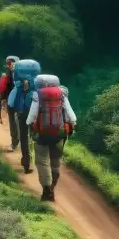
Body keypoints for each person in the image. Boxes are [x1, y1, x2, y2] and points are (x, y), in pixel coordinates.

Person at [26, 71, 77, 201]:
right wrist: (72, 126)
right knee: (55, 163)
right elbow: (72, 116)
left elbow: (31, 116)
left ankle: (46, 189)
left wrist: (29, 124)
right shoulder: (62, 95)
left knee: (42, 161)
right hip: (59, 134)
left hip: (42, 135)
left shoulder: (38, 95)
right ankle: (52, 187)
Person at [9, 59, 40, 174]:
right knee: (34, 135)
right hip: (34, 114)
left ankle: (26, 164)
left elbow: (13, 103)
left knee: (24, 137)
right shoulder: (36, 83)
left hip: (22, 113)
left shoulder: (18, 85)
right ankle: (39, 159)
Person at [0, 56, 20, 151]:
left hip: (12, 100)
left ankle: (14, 144)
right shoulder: (23, 73)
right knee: (22, 122)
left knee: (13, 122)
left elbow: (4, 87)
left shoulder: (8, 73)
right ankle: (24, 144)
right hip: (23, 101)